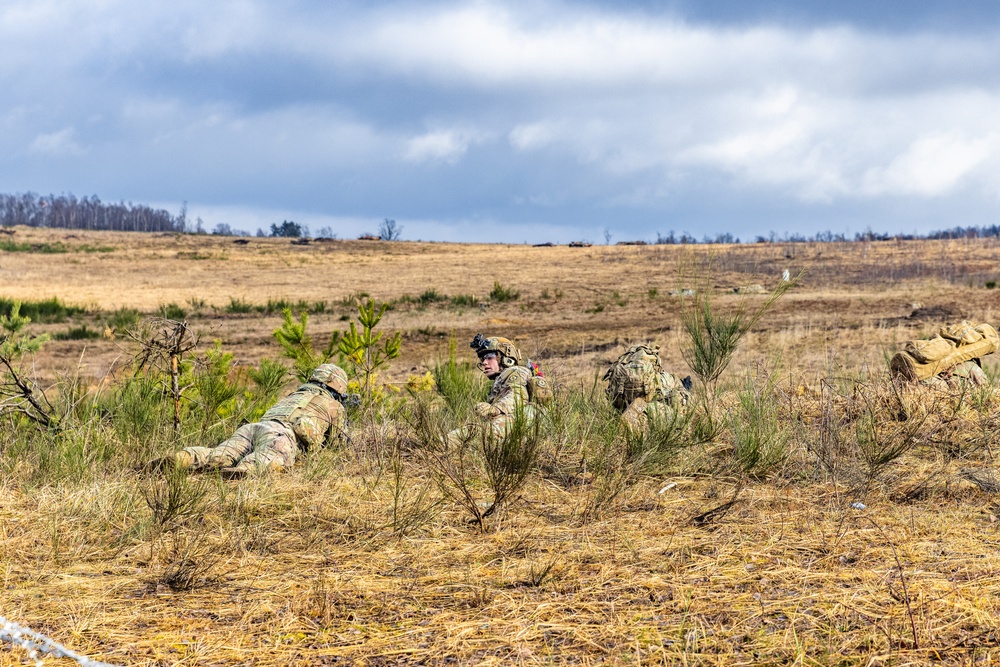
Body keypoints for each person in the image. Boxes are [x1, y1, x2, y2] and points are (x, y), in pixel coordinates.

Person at [162, 363, 351, 476]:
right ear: (338, 388)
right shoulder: (333, 405)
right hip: (281, 434)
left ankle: (184, 458)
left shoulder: (292, 395)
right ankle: (245, 471)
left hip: (252, 428)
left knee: (220, 455)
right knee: (269, 459)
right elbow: (338, 447)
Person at [445, 334, 545, 447]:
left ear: (506, 357)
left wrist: (496, 409)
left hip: (523, 424)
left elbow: (517, 396)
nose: (484, 362)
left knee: (478, 436)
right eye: (483, 358)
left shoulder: (516, 371)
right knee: (466, 434)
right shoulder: (502, 378)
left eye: (489, 357)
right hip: (515, 425)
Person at [604, 343, 690, 432]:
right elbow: (674, 388)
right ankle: (640, 419)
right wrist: (684, 389)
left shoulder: (619, 371)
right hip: (643, 409)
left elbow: (610, 396)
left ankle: (622, 419)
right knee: (679, 418)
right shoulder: (662, 378)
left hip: (621, 408)